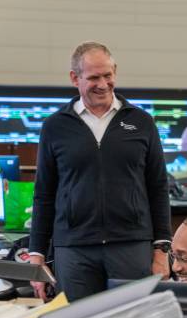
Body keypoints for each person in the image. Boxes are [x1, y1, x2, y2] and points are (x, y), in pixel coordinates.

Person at [29, 42, 171, 302]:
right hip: (74, 249)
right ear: (75, 78)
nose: (103, 84)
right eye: (94, 77)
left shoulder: (141, 122)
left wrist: (162, 249)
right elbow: (44, 194)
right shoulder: (55, 126)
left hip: (131, 245)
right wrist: (36, 252)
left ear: (115, 71)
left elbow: (158, 187)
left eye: (108, 75)